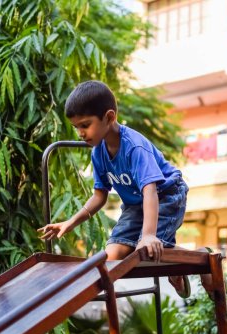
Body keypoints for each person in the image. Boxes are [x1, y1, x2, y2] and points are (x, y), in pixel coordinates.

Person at [38, 80, 193, 298]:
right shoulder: (98, 152)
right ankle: (164, 252)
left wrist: (148, 235)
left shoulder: (134, 147)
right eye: (76, 127)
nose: (80, 133)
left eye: (85, 125)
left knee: (145, 250)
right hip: (135, 204)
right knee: (111, 256)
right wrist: (70, 222)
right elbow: (99, 196)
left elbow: (150, 190)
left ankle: (196, 258)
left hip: (166, 195)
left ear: (109, 117)